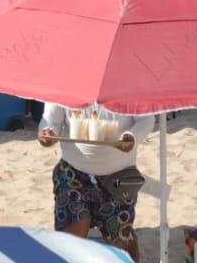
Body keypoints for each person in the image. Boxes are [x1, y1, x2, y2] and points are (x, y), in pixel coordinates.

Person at [38, 103, 152, 260]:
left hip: (118, 178)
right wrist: (48, 132)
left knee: (119, 246)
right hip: (73, 174)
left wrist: (132, 137)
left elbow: (146, 119)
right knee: (71, 242)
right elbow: (51, 120)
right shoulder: (64, 80)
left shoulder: (129, 81)